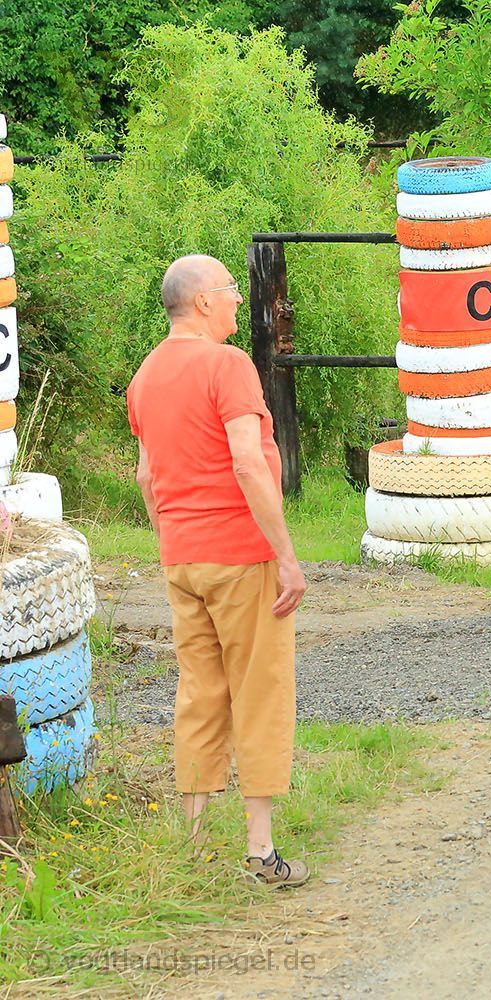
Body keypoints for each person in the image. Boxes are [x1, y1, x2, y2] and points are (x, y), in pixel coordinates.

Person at [127, 254, 309, 887]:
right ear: (203, 302)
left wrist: (170, 540)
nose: (238, 300)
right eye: (231, 290)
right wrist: (286, 555)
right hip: (238, 553)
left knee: (200, 694)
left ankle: (193, 842)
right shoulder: (227, 365)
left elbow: (148, 476)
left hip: (182, 558)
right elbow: (248, 464)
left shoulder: (145, 375)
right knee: (259, 691)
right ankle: (260, 852)